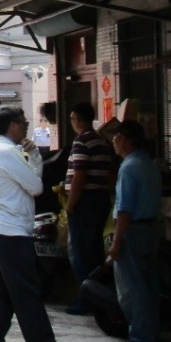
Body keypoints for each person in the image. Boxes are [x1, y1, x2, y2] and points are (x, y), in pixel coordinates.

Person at [0, 106, 80, 342]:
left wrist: (33, 155)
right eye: (23, 122)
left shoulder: (7, 151)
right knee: (27, 290)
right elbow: (35, 187)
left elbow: (33, 181)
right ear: (12, 125)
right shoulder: (5, 152)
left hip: (7, 228)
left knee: (3, 289)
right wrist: (32, 159)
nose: (26, 126)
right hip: (10, 231)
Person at [109, 119, 162, 342]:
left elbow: (124, 210)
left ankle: (141, 338)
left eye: (116, 136)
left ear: (124, 139)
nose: (113, 141)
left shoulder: (128, 167)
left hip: (134, 230)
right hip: (150, 229)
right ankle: (150, 335)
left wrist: (116, 242)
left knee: (133, 288)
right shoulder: (148, 164)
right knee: (149, 285)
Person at [62, 102, 115, 315]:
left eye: (73, 119)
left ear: (79, 120)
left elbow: (79, 177)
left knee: (81, 252)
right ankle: (97, 296)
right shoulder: (102, 141)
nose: (72, 123)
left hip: (85, 202)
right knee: (94, 251)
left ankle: (87, 299)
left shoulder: (82, 141)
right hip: (100, 199)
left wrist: (71, 205)